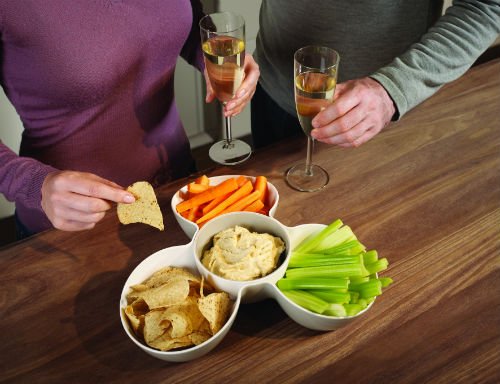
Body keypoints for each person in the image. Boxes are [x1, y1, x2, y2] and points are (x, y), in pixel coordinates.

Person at [0, 1, 259, 237]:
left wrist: (215, 57)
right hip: (76, 221)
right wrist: (33, 184)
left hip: (179, 187)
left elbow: (184, 18)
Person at [251, 0, 500, 149]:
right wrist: (215, 39)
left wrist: (392, 89)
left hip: (379, 117)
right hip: (270, 88)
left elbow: (485, 6)